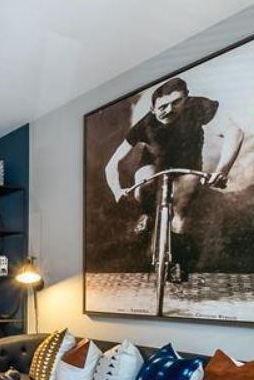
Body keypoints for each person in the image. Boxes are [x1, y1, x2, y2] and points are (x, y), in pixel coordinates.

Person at [104, 77, 244, 281]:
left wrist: (223, 169)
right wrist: (117, 190)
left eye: (176, 103)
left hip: (187, 167)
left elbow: (235, 132)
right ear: (152, 109)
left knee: (181, 213)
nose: (169, 110)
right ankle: (148, 215)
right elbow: (112, 164)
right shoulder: (144, 125)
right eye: (162, 106)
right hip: (153, 167)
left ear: (186, 99)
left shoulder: (197, 106)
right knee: (145, 182)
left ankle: (177, 262)